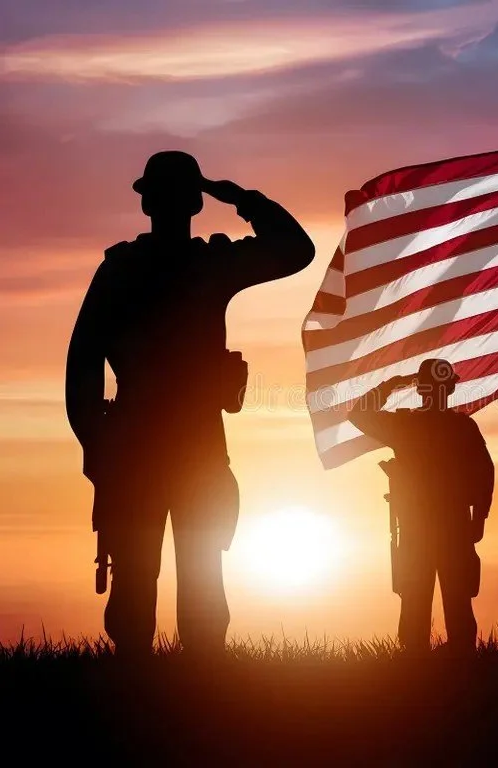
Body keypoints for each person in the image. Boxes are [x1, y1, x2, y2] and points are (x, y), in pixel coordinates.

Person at [65, 150, 315, 658]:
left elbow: (82, 366)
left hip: (150, 447)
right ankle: (188, 685)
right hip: (178, 447)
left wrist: (98, 443)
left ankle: (154, 683)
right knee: (181, 582)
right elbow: (294, 248)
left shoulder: (129, 269)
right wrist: (239, 198)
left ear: (147, 204)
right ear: (197, 203)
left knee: (161, 582)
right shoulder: (207, 266)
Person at [349, 359, 495, 656]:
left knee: (420, 599)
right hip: (450, 526)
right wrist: (478, 518)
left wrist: (391, 385)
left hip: (421, 527)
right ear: (450, 389)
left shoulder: (407, 425)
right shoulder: (461, 427)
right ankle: (455, 658)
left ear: (420, 390)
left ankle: (420, 659)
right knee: (452, 599)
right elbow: (485, 474)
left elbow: (358, 414)